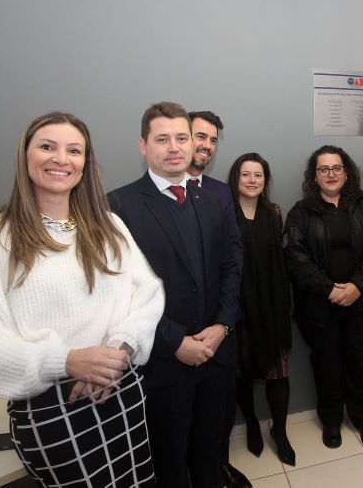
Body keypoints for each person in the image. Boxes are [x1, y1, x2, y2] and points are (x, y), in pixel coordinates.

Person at [0, 112, 164, 487]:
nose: (61, 159)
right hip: (51, 406)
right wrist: (66, 360)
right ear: (25, 154)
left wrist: (118, 350)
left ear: (85, 162)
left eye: (74, 150)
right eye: (47, 146)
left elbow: (149, 293)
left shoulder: (109, 226)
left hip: (119, 387)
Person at [108, 102, 241, 488]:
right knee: (168, 466)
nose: (174, 147)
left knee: (210, 456)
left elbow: (231, 266)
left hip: (215, 356)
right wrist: (174, 342)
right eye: (162, 139)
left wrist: (223, 325)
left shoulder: (212, 199)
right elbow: (117, 293)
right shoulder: (118, 206)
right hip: (164, 366)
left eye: (182, 138)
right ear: (143, 145)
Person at [285, 145, 363, 449]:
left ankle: (362, 417)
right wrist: (330, 289)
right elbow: (296, 259)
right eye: (323, 169)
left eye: (337, 168)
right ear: (314, 176)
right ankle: (331, 420)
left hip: (362, 301)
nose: (331, 174)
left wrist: (356, 285)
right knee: (326, 363)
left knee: (361, 360)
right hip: (319, 305)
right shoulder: (300, 212)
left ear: (347, 172)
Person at [187, 110, 248, 488]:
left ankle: (218, 466)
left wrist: (223, 322)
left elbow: (232, 255)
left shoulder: (219, 191)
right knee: (183, 417)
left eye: (213, 140)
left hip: (221, 326)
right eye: (200, 136)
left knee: (221, 408)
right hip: (178, 335)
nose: (207, 145)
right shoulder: (142, 198)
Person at [226, 153, 295, 466]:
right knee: (241, 374)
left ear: (265, 180)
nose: (252, 180)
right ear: (235, 178)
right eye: (246, 174)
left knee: (278, 373)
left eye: (258, 175)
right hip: (239, 307)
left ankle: (279, 431)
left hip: (272, 305)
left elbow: (281, 260)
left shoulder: (274, 212)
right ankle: (252, 424)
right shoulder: (224, 212)